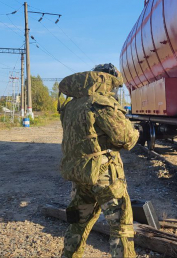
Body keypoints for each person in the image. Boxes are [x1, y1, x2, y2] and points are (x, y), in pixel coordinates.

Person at [58, 63, 139, 258]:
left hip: (81, 175)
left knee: (77, 223)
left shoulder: (71, 105)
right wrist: (135, 132)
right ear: (108, 80)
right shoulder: (101, 103)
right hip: (105, 176)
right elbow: (126, 139)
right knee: (121, 228)